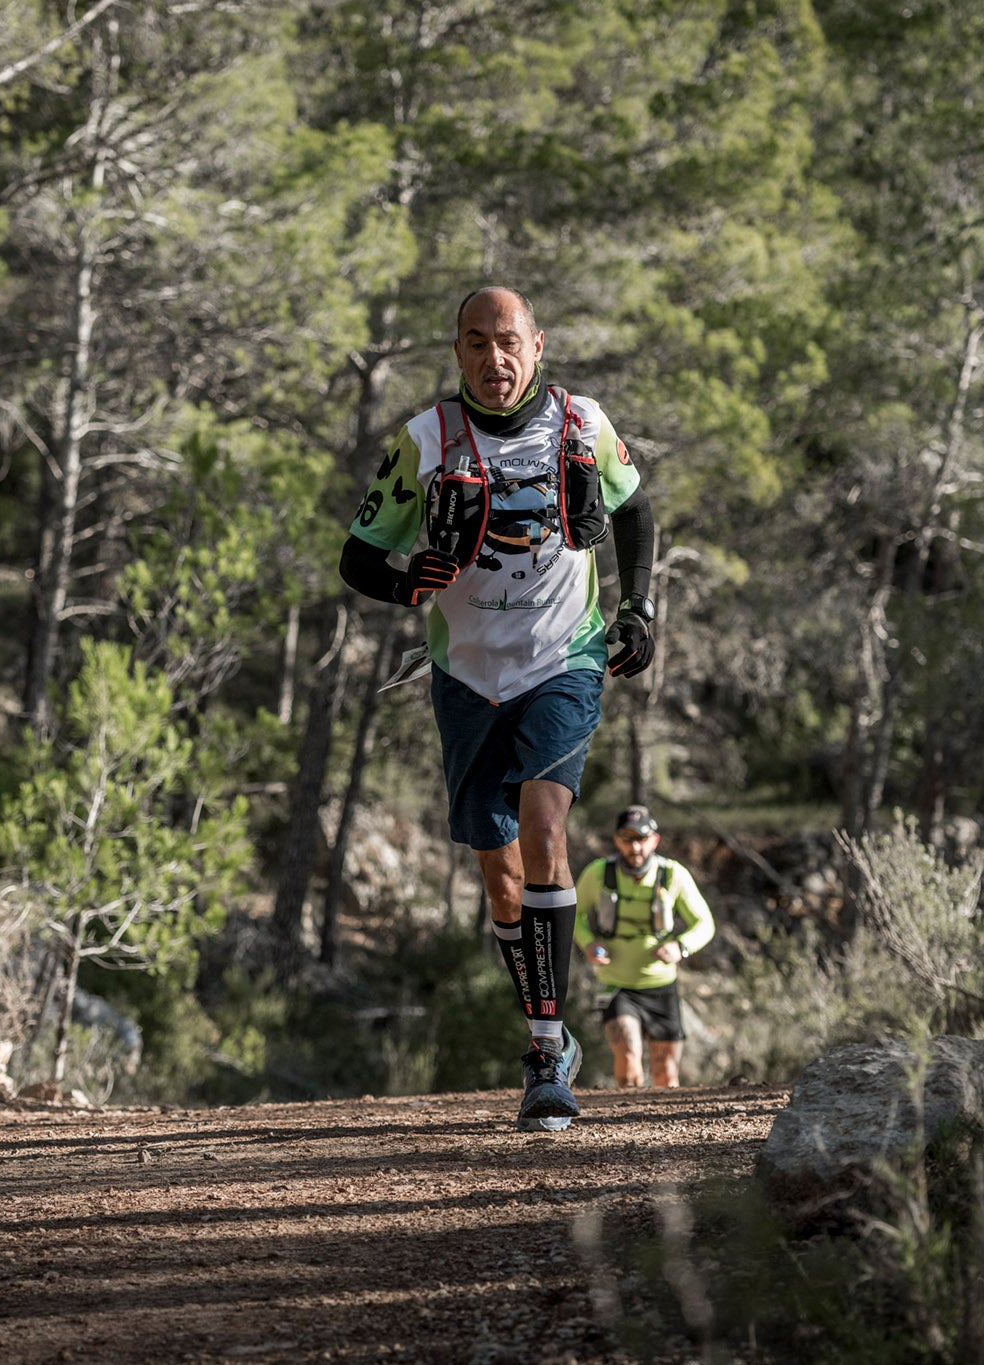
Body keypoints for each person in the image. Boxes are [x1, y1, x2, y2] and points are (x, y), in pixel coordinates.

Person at [338, 286, 658, 1132]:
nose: (494, 358)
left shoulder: (581, 424)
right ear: (457, 351)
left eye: (507, 340)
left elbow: (636, 509)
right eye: (475, 343)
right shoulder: (426, 440)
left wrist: (641, 609)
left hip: (564, 659)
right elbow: (360, 556)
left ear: (537, 344)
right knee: (500, 872)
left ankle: (546, 1055)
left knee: (546, 828)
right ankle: (544, 1024)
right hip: (467, 675)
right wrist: (406, 579)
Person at [575, 805, 715, 1088]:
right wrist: (589, 944)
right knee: (628, 1061)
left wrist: (680, 946)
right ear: (616, 840)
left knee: (666, 1073)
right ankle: (629, 1127)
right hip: (616, 985)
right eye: (627, 839)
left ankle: (668, 1129)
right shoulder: (599, 874)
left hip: (661, 985)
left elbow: (704, 923)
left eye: (641, 838)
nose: (635, 846)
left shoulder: (673, 874)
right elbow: (573, 916)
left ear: (654, 840)